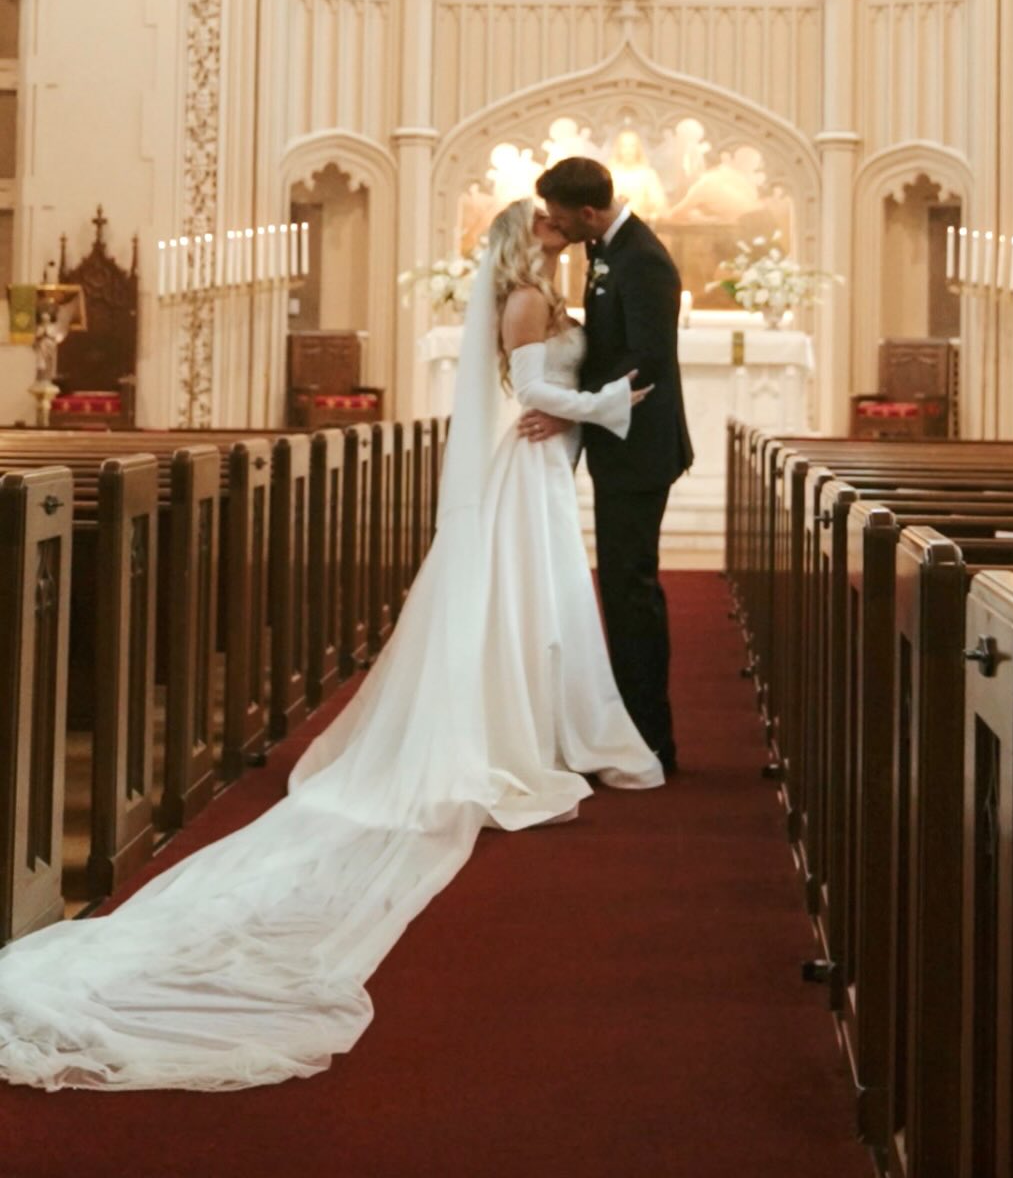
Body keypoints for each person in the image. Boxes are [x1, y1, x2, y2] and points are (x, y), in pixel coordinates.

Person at [0, 201, 661, 1093]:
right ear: (524, 238)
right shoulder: (523, 301)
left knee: (536, 609)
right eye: (542, 222)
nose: (554, 228)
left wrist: (586, 409)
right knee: (521, 607)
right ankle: (524, 729)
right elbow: (537, 395)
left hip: (544, 471)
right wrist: (609, 404)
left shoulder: (546, 292)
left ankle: (541, 722)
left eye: (556, 218)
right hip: (536, 465)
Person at [528, 157, 693, 773]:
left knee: (631, 590)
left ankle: (651, 738)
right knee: (621, 589)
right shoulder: (607, 249)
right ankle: (630, 727)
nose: (554, 223)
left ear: (590, 213)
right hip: (619, 443)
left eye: (562, 216)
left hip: (639, 448)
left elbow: (647, 360)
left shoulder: (642, 259)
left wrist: (572, 411)